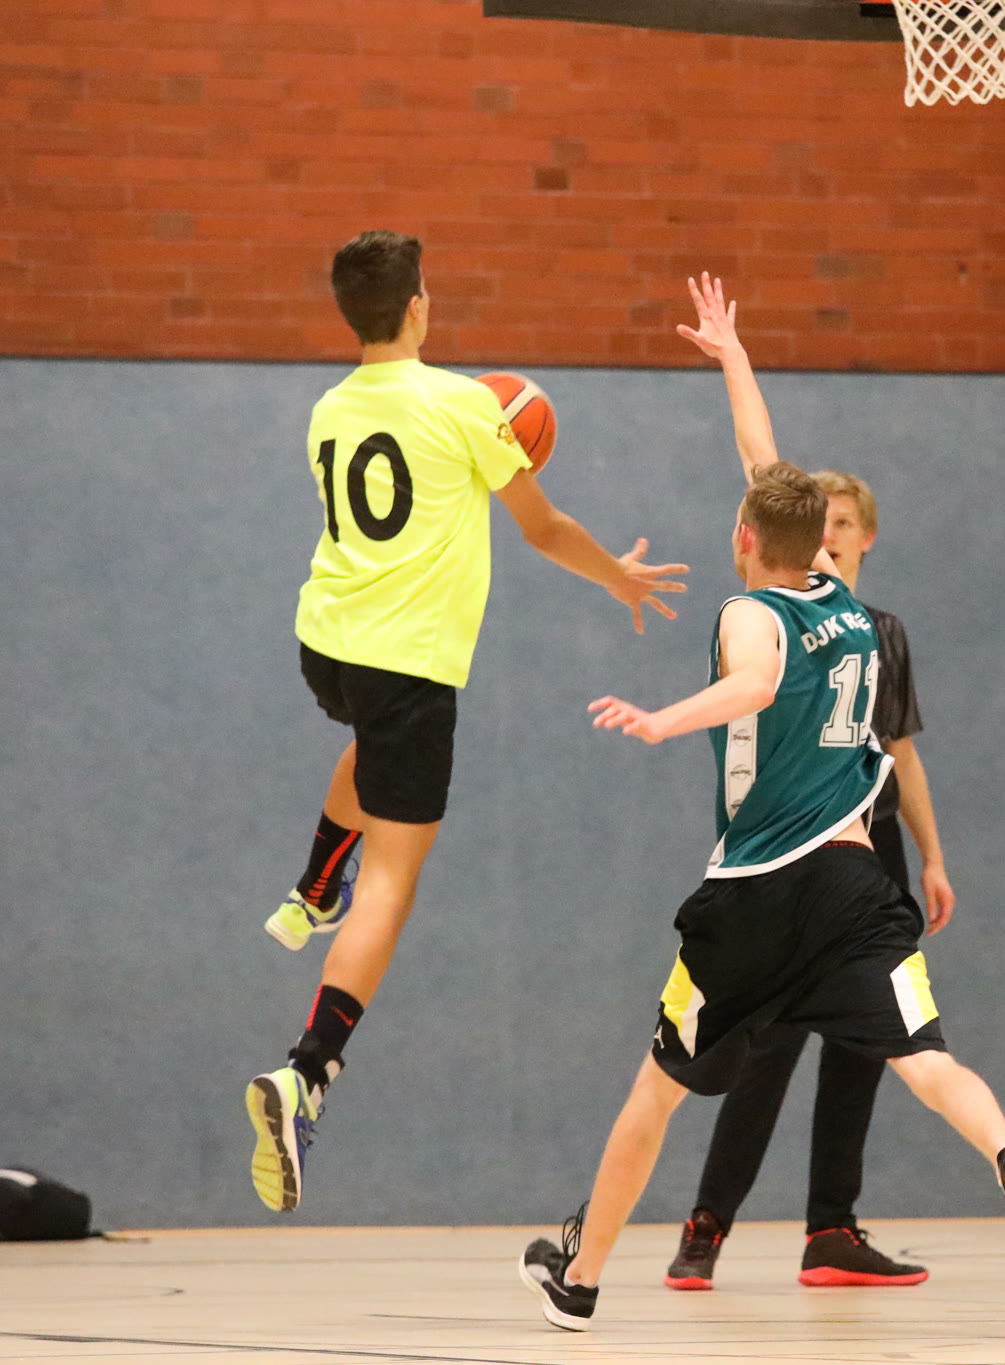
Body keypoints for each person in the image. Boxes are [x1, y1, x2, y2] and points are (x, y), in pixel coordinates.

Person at [517, 275, 1005, 1332]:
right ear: (817, 537)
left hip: (750, 901)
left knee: (657, 1091)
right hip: (853, 888)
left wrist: (661, 719)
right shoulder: (848, 602)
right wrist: (734, 356)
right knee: (926, 1059)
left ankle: (581, 1279)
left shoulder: (753, 614)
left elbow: (752, 685)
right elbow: (764, 460)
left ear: (742, 539)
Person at [245, 230, 689, 1214]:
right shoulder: (466, 405)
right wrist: (616, 575)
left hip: (326, 643)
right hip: (407, 665)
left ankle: (313, 885)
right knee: (392, 880)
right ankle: (308, 1070)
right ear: (419, 305)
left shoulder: (328, 409)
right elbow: (542, 527)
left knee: (364, 749)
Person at [666, 468, 959, 1291]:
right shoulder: (781, 617)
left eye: (844, 522)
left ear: (868, 536)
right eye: (819, 521)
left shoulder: (880, 632)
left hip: (871, 848)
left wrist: (933, 857)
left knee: (866, 1048)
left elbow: (902, 752)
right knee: (765, 1046)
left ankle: (831, 1227)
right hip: (793, 849)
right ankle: (706, 1223)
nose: (829, 533)